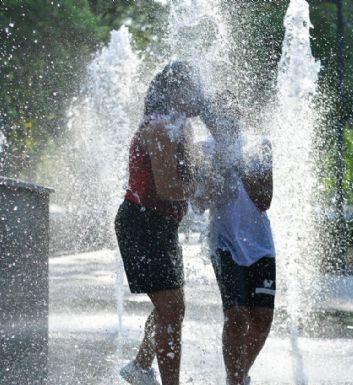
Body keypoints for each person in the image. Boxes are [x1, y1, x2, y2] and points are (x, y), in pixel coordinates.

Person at [115, 61, 203, 385]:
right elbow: (170, 189)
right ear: (175, 92)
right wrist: (203, 186)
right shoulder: (159, 128)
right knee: (171, 308)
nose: (199, 93)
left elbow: (188, 181)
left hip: (160, 225)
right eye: (192, 86)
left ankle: (140, 367)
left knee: (173, 308)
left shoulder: (181, 127)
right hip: (142, 223)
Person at [194, 94, 275, 385]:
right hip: (223, 243)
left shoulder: (259, 146)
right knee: (237, 315)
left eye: (232, 115)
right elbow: (200, 202)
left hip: (261, 245)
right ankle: (234, 379)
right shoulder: (203, 150)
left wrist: (237, 163)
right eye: (219, 117)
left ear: (239, 117)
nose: (227, 121)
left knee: (262, 320)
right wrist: (218, 165)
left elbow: (265, 200)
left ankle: (238, 375)